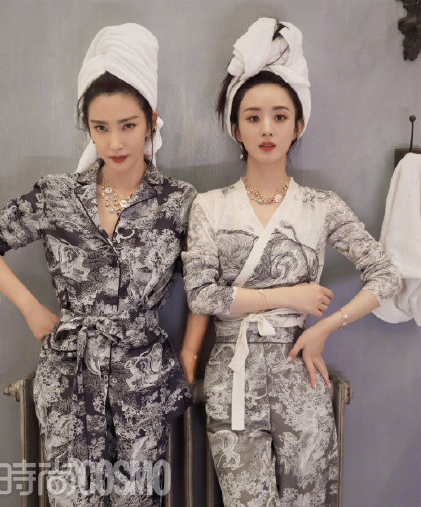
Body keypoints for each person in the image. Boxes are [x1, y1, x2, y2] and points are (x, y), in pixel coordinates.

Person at [0, 22, 208, 506]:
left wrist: (189, 356)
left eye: (128, 125)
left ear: (151, 121)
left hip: (143, 384)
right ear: (87, 127)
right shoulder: (58, 195)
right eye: (100, 128)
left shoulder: (178, 202)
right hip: (68, 380)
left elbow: (206, 284)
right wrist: (30, 308)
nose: (115, 142)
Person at [180, 18, 402, 506]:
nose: (267, 128)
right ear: (235, 128)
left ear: (298, 126)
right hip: (231, 377)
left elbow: (386, 275)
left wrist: (325, 327)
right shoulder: (209, 207)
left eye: (280, 116)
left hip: (299, 372)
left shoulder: (321, 207)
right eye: (253, 116)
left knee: (307, 498)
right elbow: (201, 295)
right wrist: (288, 296)